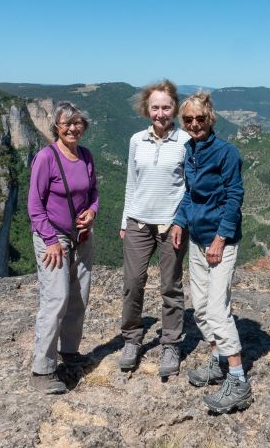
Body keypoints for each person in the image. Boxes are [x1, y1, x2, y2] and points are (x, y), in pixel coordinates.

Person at [170, 91, 253, 413]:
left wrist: (220, 239)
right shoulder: (189, 151)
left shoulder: (226, 153)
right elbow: (190, 195)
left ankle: (238, 379)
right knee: (201, 309)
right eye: (188, 119)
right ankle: (218, 361)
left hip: (220, 241)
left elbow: (234, 197)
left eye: (199, 119)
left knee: (218, 310)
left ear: (210, 119)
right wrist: (179, 221)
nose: (194, 124)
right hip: (196, 238)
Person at [118, 80, 191, 377]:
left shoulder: (186, 141)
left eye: (166, 107)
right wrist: (125, 221)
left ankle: (171, 343)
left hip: (171, 225)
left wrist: (181, 222)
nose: (160, 113)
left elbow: (190, 187)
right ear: (146, 109)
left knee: (170, 286)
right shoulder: (137, 140)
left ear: (174, 108)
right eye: (155, 107)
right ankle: (132, 340)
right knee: (132, 283)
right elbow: (130, 183)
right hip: (138, 222)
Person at [28, 102, 98, 394]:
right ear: (56, 127)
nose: (72, 128)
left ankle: (69, 353)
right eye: (65, 124)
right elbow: (34, 205)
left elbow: (94, 193)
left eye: (77, 123)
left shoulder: (86, 156)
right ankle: (41, 369)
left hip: (81, 237)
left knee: (79, 298)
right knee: (56, 298)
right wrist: (51, 240)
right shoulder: (46, 158)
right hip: (52, 238)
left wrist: (92, 212)